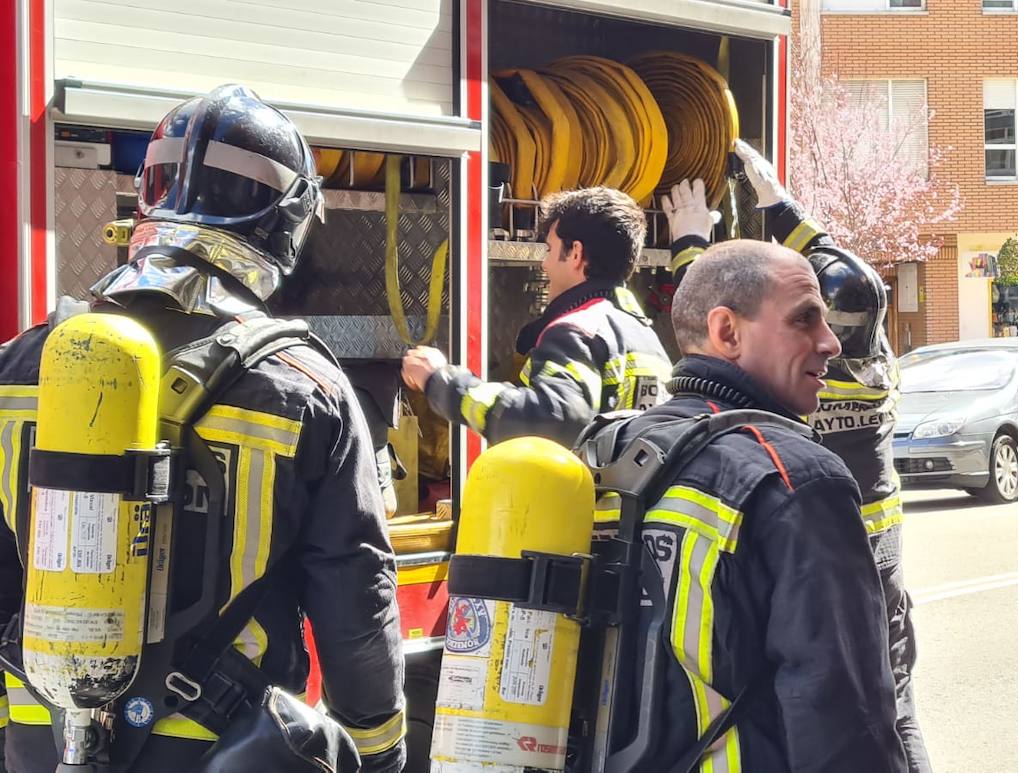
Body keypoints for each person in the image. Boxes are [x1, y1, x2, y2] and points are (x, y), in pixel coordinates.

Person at [0, 84, 406, 772]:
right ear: (286, 223)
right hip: (220, 741)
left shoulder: (26, 359)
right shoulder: (305, 385)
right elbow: (354, 591)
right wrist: (379, 747)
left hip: (40, 731)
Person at [661, 140, 932, 771]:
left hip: (831, 553)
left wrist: (690, 244)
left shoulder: (792, 405)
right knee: (895, 700)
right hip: (874, 555)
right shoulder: (873, 364)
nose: (825, 341)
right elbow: (839, 273)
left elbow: (718, 330)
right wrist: (779, 205)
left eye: (820, 319)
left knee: (861, 701)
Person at [593, 238, 906, 771]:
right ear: (727, 332)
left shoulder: (612, 449)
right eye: (805, 320)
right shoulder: (796, 477)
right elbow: (841, 718)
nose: (831, 342)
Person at [401, 187, 672, 448]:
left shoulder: (578, 331)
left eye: (549, 250)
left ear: (576, 254)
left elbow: (549, 419)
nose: (544, 264)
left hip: (580, 496)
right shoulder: (645, 337)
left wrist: (442, 381)